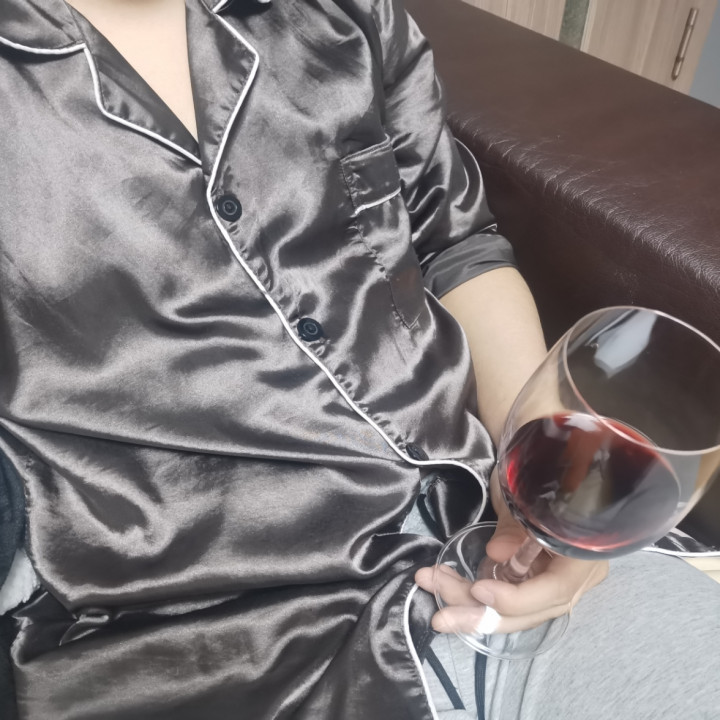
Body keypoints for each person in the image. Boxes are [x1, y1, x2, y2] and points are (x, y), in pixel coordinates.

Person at [0, 0, 718, 718]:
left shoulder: (345, 15)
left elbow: (456, 245)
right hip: (232, 632)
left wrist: (536, 486)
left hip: (475, 502)